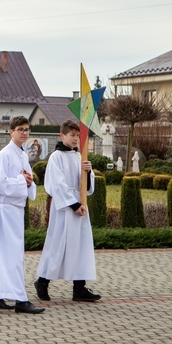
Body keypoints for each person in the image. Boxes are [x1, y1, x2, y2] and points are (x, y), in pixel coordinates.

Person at [0, 116, 44, 314]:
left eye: (27, 129)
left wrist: (27, 181)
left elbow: (27, 179)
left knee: (4, 254)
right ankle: (20, 300)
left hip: (15, 210)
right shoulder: (5, 155)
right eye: (20, 129)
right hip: (6, 209)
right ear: (11, 131)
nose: (24, 133)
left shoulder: (22, 155)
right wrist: (22, 181)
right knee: (11, 255)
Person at [35, 120, 100, 303]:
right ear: (62, 135)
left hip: (79, 205)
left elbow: (86, 187)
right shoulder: (56, 157)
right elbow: (57, 185)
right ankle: (42, 282)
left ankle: (79, 288)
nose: (75, 139)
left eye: (78, 136)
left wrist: (88, 172)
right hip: (65, 209)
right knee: (58, 246)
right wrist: (74, 206)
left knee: (80, 246)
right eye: (72, 135)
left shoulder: (79, 156)